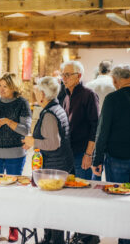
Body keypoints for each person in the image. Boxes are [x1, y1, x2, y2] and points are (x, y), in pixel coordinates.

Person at [92, 65, 130, 244]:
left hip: (117, 158)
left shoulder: (112, 98)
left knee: (120, 203)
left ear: (115, 80)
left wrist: (97, 158)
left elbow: (103, 131)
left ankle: (125, 241)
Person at [22, 76, 74, 244]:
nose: (35, 92)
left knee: (52, 209)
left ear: (43, 94)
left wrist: (33, 142)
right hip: (60, 165)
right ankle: (50, 239)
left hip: (54, 168)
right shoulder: (55, 108)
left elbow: (53, 143)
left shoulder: (49, 114)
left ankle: (54, 241)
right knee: (53, 208)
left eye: (37, 89)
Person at [0, 72, 31, 243]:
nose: (1, 89)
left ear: (13, 86)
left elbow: (26, 130)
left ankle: (13, 227)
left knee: (12, 193)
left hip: (15, 154)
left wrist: (7, 121)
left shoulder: (22, 103)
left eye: (5, 86)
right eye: (0, 86)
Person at [58, 61, 100, 244]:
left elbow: (95, 127)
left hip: (82, 152)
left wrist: (88, 154)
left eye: (67, 75)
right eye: (63, 74)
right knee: (74, 195)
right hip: (69, 151)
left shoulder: (89, 95)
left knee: (85, 195)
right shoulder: (66, 94)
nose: (63, 78)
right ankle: (80, 232)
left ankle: (89, 236)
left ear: (79, 76)